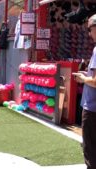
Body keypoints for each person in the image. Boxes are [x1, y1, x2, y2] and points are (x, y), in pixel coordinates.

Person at [73, 14, 96, 169]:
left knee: (91, 151)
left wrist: (83, 78)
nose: (89, 33)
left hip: (93, 109)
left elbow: (95, 81)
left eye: (90, 29)